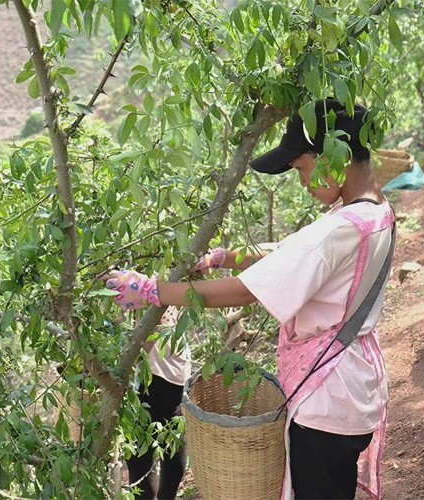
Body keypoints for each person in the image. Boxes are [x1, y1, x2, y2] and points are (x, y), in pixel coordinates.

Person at [105, 98, 394, 500]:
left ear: (332, 156)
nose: (302, 181)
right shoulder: (375, 211)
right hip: (356, 388)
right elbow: (293, 254)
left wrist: (154, 291)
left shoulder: (335, 231)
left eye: (301, 168)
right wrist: (224, 256)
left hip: (326, 402)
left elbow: (247, 290)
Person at [126, 306, 190, 500]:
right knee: (139, 450)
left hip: (166, 365)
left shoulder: (170, 282)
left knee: (170, 439)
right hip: (137, 370)